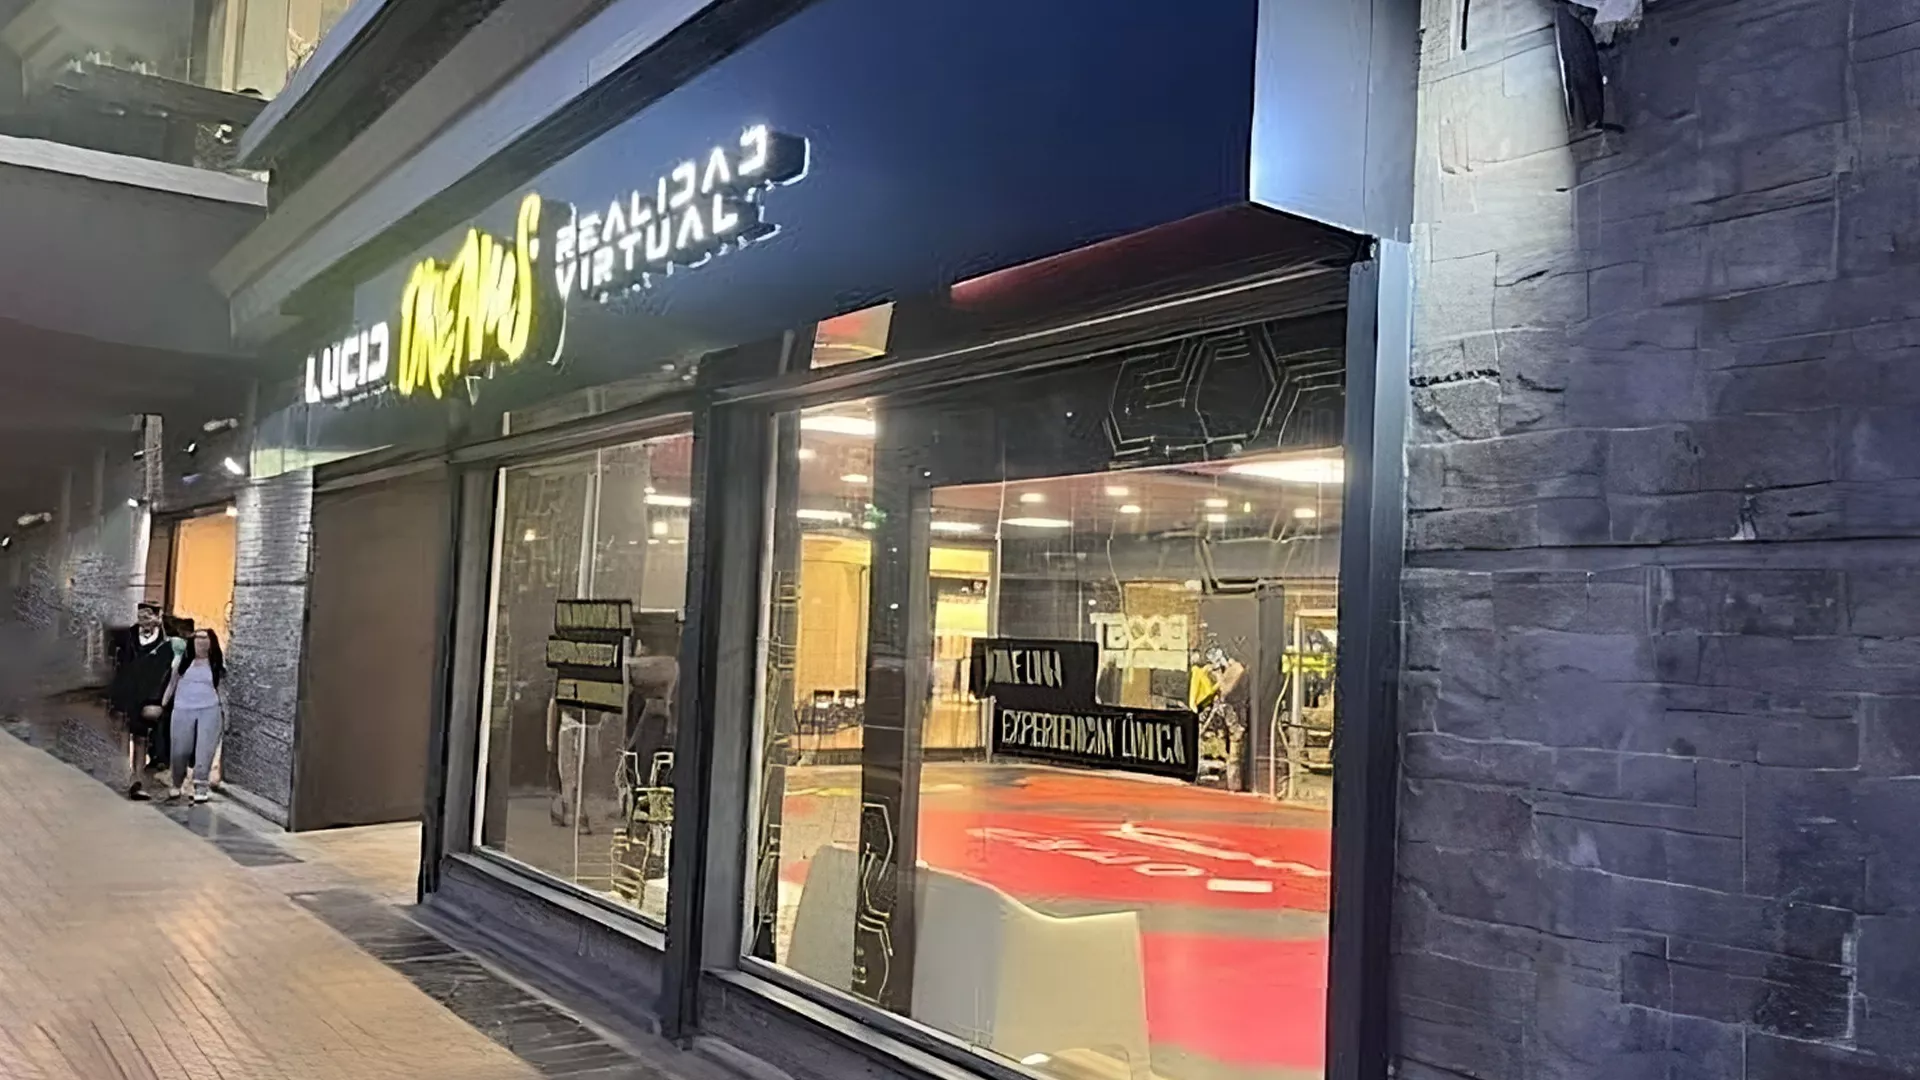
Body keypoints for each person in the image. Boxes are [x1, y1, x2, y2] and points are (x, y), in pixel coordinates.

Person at [108, 601, 182, 801]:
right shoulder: (127, 637)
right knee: (122, 733)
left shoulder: (166, 644)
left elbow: (167, 675)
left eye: (148, 616)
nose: (143, 620)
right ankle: (124, 774)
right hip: (125, 694)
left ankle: (137, 779)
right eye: (141, 616)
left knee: (141, 738)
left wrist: (158, 701)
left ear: (158, 618)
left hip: (148, 698)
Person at [160, 628, 226, 803]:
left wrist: (225, 713)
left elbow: (222, 690)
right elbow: (171, 684)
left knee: (205, 750)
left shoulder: (216, 665)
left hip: (209, 709)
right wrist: (163, 703)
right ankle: (176, 783)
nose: (201, 643)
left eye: (205, 639)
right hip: (182, 708)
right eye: (197, 639)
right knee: (180, 750)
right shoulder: (181, 662)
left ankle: (201, 786)